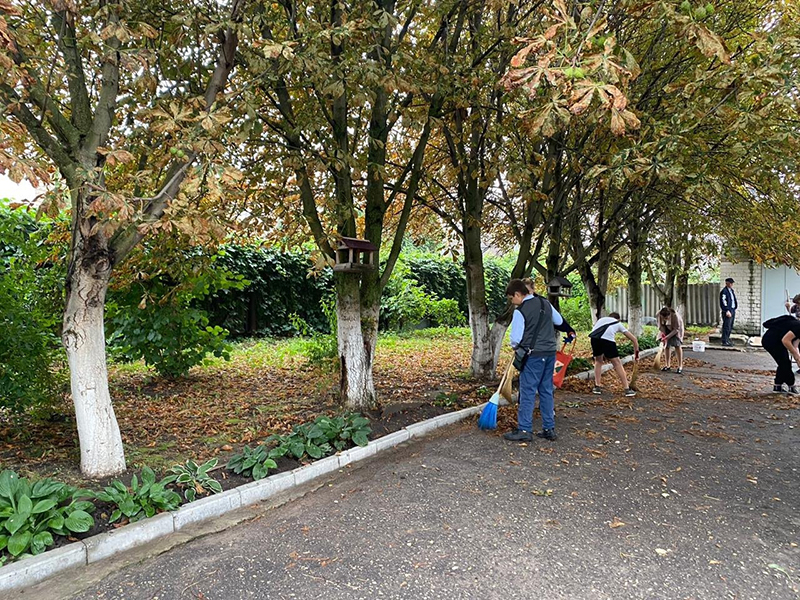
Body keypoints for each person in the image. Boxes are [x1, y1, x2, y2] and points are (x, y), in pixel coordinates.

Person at [503, 279, 576, 443]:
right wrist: (571, 331)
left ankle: (524, 429)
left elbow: (515, 339)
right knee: (546, 390)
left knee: (528, 391)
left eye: (511, 298)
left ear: (517, 294)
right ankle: (549, 429)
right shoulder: (545, 303)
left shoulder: (520, 311)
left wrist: (515, 347)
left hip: (533, 356)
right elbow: (559, 322)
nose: (512, 302)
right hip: (550, 354)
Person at [589, 312, 639, 397]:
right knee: (617, 363)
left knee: (598, 361)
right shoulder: (618, 323)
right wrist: (636, 355)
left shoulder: (601, 320)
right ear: (618, 319)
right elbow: (634, 339)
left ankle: (597, 387)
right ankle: (627, 389)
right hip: (608, 340)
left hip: (594, 338)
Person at [761, 314, 800, 394]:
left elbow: (795, 346)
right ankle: (791, 385)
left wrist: (798, 359)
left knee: (783, 362)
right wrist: (796, 357)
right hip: (770, 340)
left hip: (778, 340)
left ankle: (778, 385)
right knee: (784, 362)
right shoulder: (798, 327)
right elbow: (786, 340)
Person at [657, 307, 685, 374]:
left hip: (676, 330)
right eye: (663, 318)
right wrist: (664, 335)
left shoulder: (675, 316)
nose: (664, 319)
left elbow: (676, 329)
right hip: (666, 329)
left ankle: (680, 366)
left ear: (669, 315)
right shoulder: (659, 314)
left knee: (677, 345)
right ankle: (667, 365)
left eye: (666, 318)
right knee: (666, 346)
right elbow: (660, 326)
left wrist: (667, 337)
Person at [719, 278, 738, 346]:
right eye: (730, 283)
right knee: (726, 326)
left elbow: (733, 300)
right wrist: (727, 310)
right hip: (727, 311)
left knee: (730, 326)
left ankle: (727, 339)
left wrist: (734, 308)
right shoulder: (724, 291)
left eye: (732, 283)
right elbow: (723, 301)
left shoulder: (731, 291)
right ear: (726, 283)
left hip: (732, 310)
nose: (731, 284)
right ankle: (724, 341)